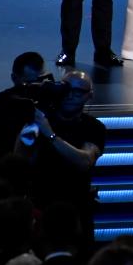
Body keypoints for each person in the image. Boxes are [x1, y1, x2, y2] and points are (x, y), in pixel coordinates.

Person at [25, 71, 106, 243]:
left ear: (89, 96)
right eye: (66, 90)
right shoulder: (42, 120)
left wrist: (50, 135)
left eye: (78, 92)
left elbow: (84, 161)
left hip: (76, 208)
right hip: (41, 205)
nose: (70, 96)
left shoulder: (93, 127)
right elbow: (22, 156)